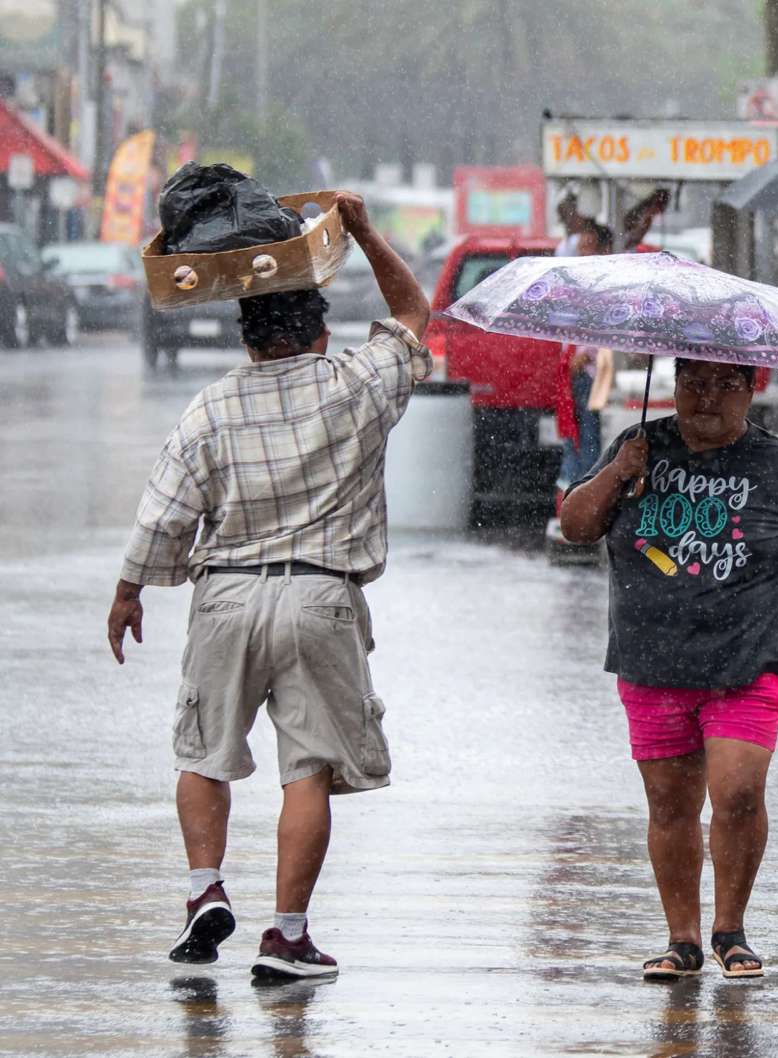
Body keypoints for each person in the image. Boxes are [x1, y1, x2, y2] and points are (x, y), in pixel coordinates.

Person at [105, 192, 432, 979]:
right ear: (318, 331)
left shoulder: (210, 408)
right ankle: (287, 935)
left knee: (204, 753)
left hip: (225, 598)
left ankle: (205, 887)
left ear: (246, 338)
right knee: (307, 769)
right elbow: (416, 312)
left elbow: (164, 515)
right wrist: (356, 226)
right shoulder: (356, 383)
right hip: (320, 597)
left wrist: (129, 592)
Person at [560, 359, 778, 982]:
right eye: (694, 384)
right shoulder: (639, 447)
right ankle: (682, 939)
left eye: (725, 385)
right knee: (669, 805)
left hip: (749, 659)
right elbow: (575, 527)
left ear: (752, 389)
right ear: (674, 384)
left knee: (737, 792)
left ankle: (730, 929)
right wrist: (620, 473)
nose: (707, 398)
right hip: (652, 660)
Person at [556, 224, 616, 490]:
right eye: (580, 247)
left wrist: (584, 355)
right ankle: (572, 487)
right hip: (570, 368)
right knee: (572, 433)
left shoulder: (604, 285)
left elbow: (601, 326)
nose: (582, 253)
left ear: (603, 250)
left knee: (588, 434)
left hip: (589, 371)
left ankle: (586, 488)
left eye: (588, 246)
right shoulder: (578, 282)